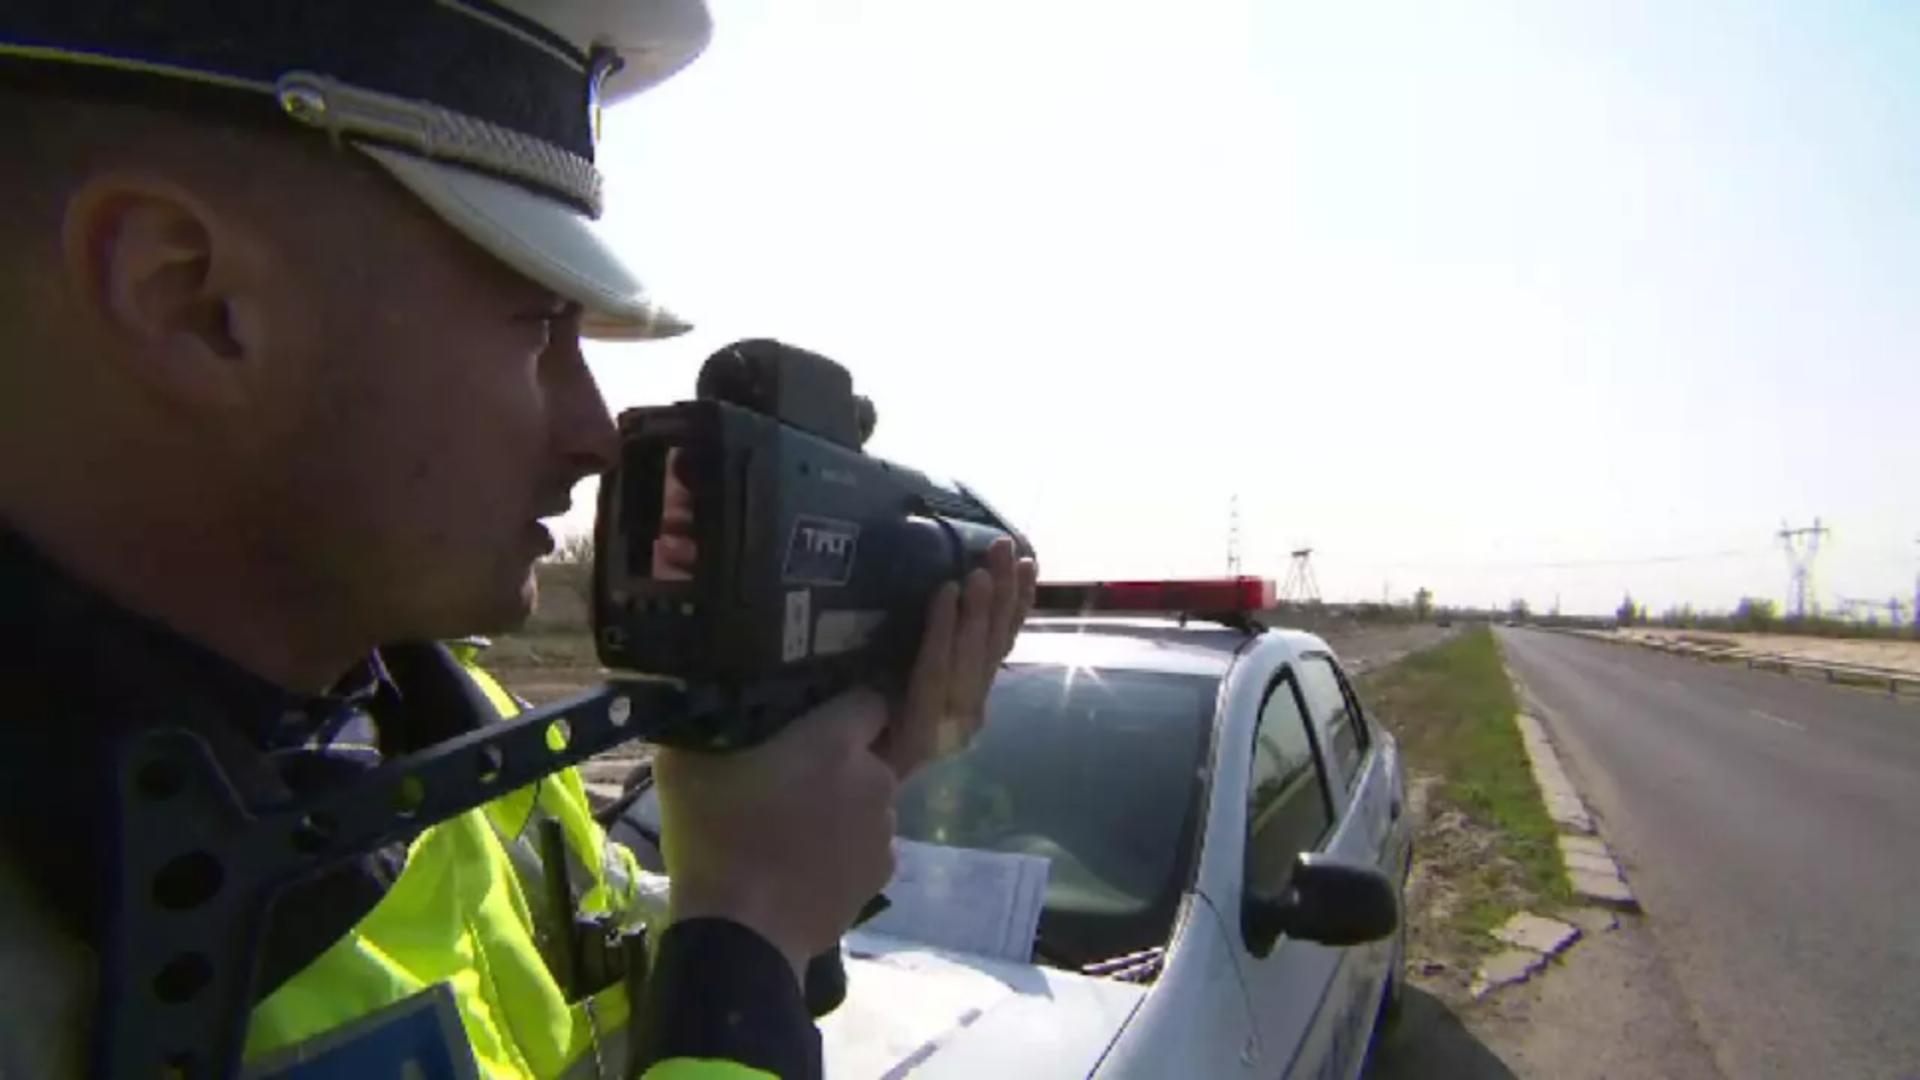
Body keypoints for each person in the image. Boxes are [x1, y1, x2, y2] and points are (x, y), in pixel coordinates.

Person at [0, 2, 1037, 1077]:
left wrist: (785, 861)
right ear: (193, 299)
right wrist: (748, 935)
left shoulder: (460, 744)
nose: (596, 436)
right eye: (538, 325)